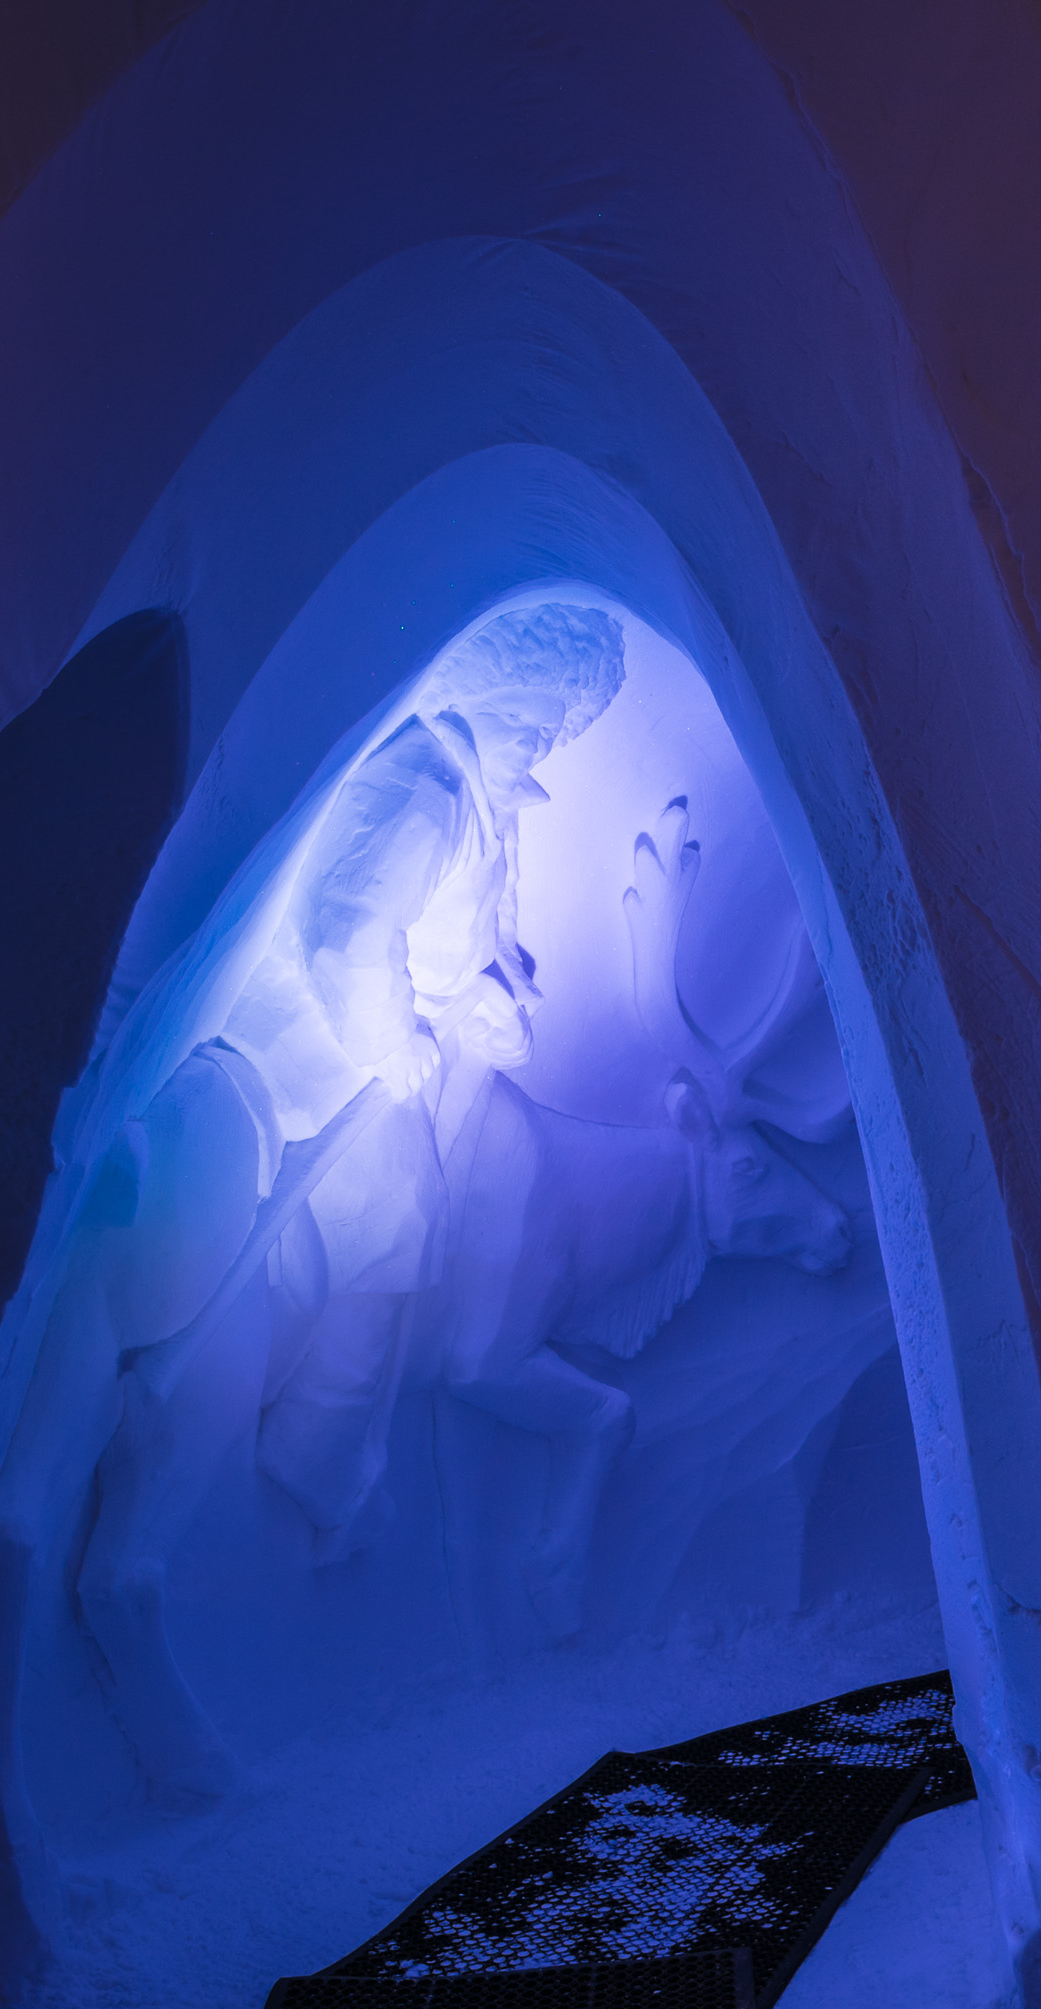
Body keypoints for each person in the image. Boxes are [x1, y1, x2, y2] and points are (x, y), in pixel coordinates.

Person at [228, 602, 623, 1554]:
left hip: (399, 1054)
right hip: (324, 1055)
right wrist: (396, 1037)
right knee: (394, 1216)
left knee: (414, 1224)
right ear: (482, 694)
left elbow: (472, 933)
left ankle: (328, 1445)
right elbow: (349, 936)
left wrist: (494, 991)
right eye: (531, 719)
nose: (540, 742)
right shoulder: (424, 784)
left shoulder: (485, 799)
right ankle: (303, 1444)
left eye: (553, 729)